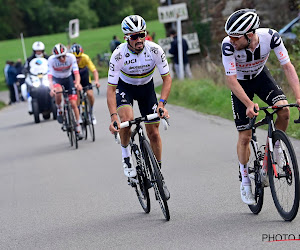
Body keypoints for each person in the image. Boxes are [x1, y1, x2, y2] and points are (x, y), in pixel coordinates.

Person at [221, 9, 300, 205]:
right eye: (229, 36)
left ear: (249, 35)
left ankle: (277, 148)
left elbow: (288, 66)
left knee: (283, 109)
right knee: (245, 135)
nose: (230, 40)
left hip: (260, 77)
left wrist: (299, 96)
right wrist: (248, 104)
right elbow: (230, 80)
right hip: (240, 84)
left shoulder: (271, 37)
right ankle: (245, 180)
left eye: (235, 37)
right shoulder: (228, 46)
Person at [107, 15, 172, 199]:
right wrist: (113, 117)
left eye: (141, 35)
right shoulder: (118, 55)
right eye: (134, 36)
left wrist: (162, 104)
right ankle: (126, 155)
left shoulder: (155, 50)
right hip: (124, 88)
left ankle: (158, 175)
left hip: (146, 88)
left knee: (154, 133)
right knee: (127, 121)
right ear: (126, 38)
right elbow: (111, 90)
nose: (139, 40)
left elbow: (167, 79)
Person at [48, 43, 83, 138]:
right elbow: (50, 76)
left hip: (68, 79)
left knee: (73, 104)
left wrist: (78, 83)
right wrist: (52, 88)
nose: (62, 59)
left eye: (63, 56)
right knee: (58, 91)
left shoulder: (71, 57)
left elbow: (76, 73)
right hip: (57, 79)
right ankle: (59, 109)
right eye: (59, 57)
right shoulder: (51, 60)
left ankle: (78, 127)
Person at [70, 43, 100, 124]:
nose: (77, 60)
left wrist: (96, 81)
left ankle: (91, 112)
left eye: (79, 57)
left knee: (90, 94)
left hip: (84, 77)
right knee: (77, 93)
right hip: (74, 77)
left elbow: (94, 71)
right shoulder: (69, 60)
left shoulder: (85, 58)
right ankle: (78, 111)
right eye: (75, 57)